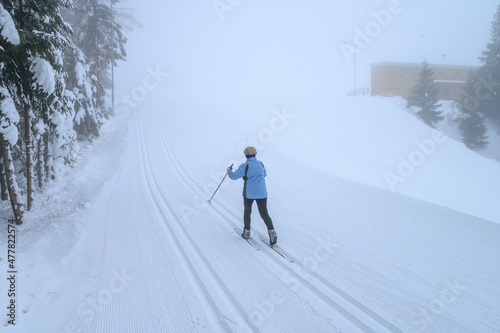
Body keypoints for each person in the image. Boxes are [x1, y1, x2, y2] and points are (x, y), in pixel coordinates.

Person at [227, 147, 277, 245]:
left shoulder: (245, 165)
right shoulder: (260, 164)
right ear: (255, 154)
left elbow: (233, 176)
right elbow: (264, 174)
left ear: (246, 155)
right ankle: (272, 232)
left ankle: (246, 232)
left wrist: (229, 170)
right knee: (264, 213)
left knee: (247, 211)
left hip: (249, 193)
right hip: (262, 192)